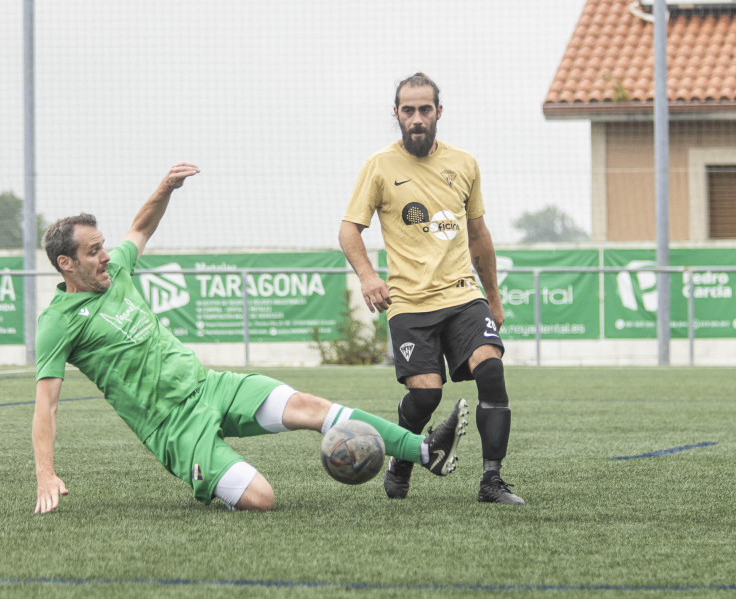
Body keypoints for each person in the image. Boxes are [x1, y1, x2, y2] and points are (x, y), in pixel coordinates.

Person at [32, 162, 468, 513]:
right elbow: (47, 405)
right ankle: (207, 474)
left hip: (210, 386)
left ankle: (426, 452)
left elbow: (141, 228)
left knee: (310, 407)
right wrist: (46, 474)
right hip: (173, 427)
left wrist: (165, 188)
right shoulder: (59, 322)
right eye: (94, 252)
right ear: (66, 263)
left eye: (103, 245)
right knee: (263, 499)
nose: (106, 256)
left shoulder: (117, 270)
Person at [339, 73, 524, 505]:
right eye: (408, 111)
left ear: (439, 112)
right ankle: (402, 457)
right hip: (408, 302)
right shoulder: (379, 167)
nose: (417, 118)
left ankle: (491, 481)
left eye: (425, 110)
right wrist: (369, 277)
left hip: (462, 295)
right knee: (426, 394)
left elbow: (479, 236)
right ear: (397, 115)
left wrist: (493, 299)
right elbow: (350, 231)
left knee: (491, 371)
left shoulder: (464, 164)